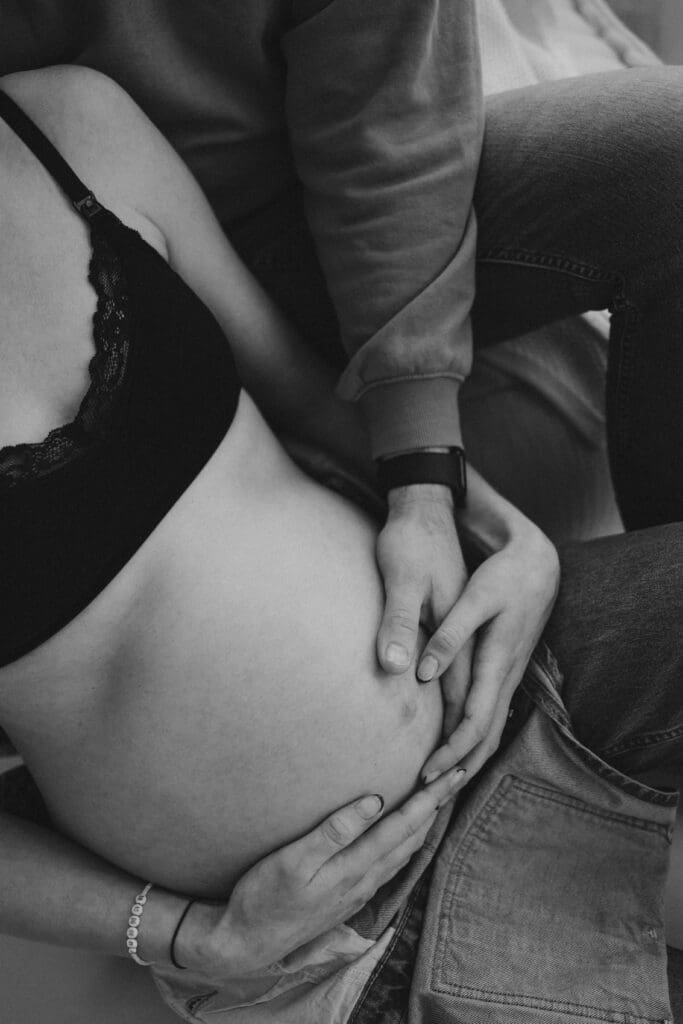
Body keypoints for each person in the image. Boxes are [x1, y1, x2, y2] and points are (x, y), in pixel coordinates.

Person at [0, 62, 682, 1023]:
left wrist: (499, 529)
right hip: (337, 944)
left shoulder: (68, 124)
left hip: (519, 675)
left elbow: (303, 395)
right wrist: (190, 936)